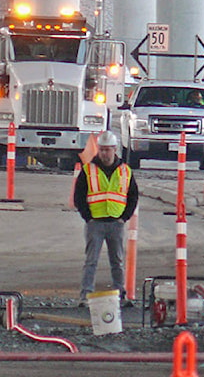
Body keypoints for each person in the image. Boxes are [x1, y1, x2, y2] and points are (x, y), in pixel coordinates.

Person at [73, 130, 139, 307]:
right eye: (101, 149)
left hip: (115, 223)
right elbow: (79, 197)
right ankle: (85, 295)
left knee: (117, 261)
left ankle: (121, 294)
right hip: (95, 223)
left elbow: (133, 196)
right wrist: (88, 217)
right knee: (91, 261)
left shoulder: (125, 171)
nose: (104, 153)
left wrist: (124, 218)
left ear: (114, 149)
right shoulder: (88, 170)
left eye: (107, 150)